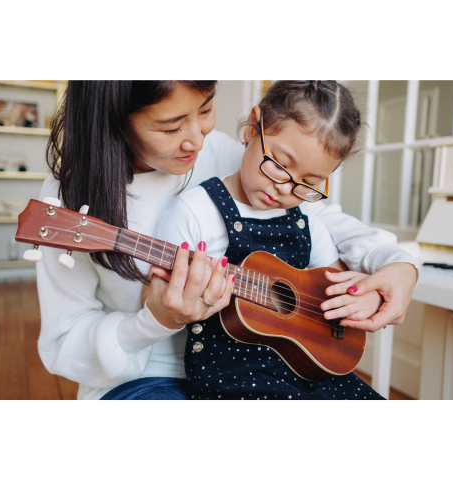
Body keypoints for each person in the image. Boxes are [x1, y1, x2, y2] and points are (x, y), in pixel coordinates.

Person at [37, 81, 417, 400]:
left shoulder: (249, 156)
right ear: (113, 115)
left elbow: (322, 221)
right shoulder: (71, 195)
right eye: (170, 128)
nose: (196, 142)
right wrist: (153, 321)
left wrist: (399, 266)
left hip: (278, 362)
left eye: (205, 110)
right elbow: (63, 345)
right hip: (146, 377)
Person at [143, 80, 392, 400]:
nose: (286, 190)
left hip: (308, 370)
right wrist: (170, 302)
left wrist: (361, 300)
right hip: (233, 375)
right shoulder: (196, 212)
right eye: (279, 165)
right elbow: (154, 296)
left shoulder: (306, 220)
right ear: (252, 126)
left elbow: (336, 284)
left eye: (309, 183)